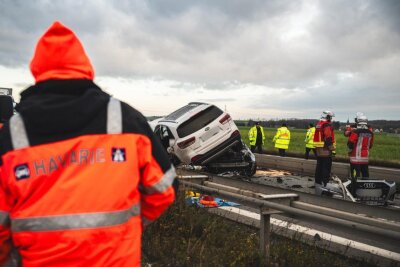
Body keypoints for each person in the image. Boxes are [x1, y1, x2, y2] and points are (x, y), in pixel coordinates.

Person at [0, 21, 176, 266]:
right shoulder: (126, 120)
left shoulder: (13, 135)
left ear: (37, 71)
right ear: (86, 68)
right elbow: (164, 190)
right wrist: (128, 227)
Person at [347, 114, 374, 195]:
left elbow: (350, 143)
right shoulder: (370, 133)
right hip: (365, 158)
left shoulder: (355, 132)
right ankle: (365, 191)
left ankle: (354, 192)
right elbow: (371, 145)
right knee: (365, 176)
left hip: (355, 158)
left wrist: (350, 151)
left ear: (358, 121)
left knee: (355, 176)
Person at [313, 111, 335, 194]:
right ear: (328, 117)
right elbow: (328, 137)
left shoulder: (319, 124)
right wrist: (332, 149)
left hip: (318, 149)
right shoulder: (326, 125)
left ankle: (317, 185)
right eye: (331, 117)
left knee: (319, 167)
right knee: (326, 168)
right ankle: (325, 186)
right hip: (325, 149)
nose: (331, 119)